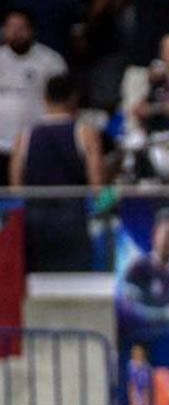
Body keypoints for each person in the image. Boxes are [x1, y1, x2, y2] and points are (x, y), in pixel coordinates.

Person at [10, 74, 104, 272]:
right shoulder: (85, 133)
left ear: (44, 99)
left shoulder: (24, 136)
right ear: (74, 99)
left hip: (35, 222)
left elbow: (16, 188)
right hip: (72, 221)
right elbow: (97, 185)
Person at [0, 7, 67, 185]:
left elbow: (61, 104)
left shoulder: (51, 61)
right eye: (11, 27)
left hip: (36, 144)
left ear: (32, 30)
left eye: (21, 28)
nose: (16, 33)